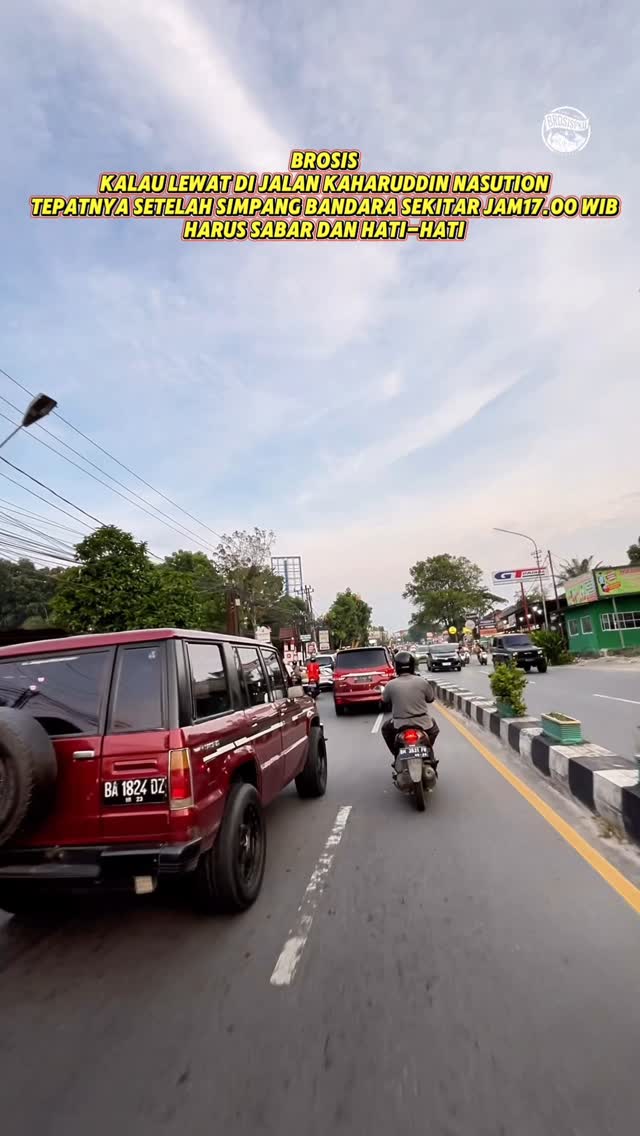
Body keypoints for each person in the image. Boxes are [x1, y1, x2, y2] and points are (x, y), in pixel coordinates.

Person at [381, 650, 440, 758]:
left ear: (396, 666)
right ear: (412, 665)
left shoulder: (390, 684)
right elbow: (430, 699)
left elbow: (384, 700)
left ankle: (396, 754)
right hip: (423, 722)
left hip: (399, 724)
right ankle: (427, 751)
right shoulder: (422, 681)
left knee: (385, 728)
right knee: (434, 728)